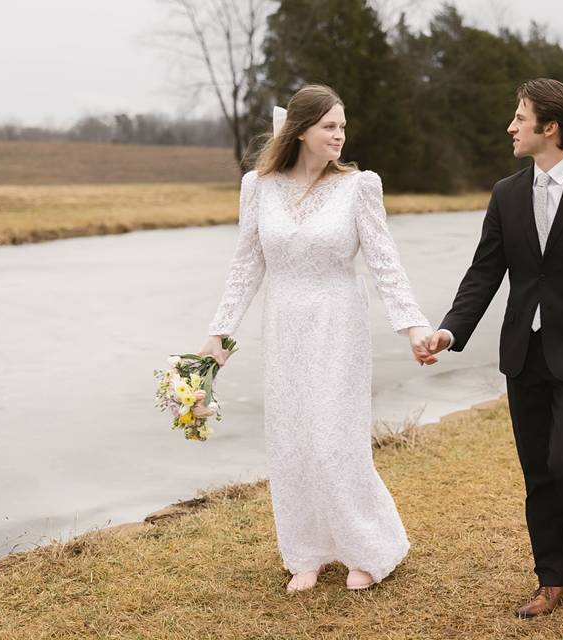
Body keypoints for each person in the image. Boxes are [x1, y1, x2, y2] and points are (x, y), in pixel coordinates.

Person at [417, 78, 563, 618]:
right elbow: (484, 273)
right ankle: (553, 579)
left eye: (520, 117)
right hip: (523, 353)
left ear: (550, 128)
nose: (511, 127)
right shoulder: (505, 194)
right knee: (537, 471)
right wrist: (450, 330)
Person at [199, 84, 433, 593]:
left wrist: (413, 324)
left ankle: (367, 547)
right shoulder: (257, 188)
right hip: (284, 324)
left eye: (343, 126)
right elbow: (245, 267)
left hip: (339, 321)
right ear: (301, 130)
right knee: (291, 438)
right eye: (330, 126)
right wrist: (219, 335)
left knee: (335, 439)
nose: (339, 135)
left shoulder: (359, 186)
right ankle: (304, 552)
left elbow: (384, 263)